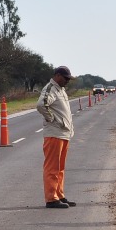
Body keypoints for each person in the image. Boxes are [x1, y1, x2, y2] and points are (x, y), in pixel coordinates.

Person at [36, 65, 76, 209]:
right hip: (54, 133)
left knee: (60, 168)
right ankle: (51, 199)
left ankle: (59, 195)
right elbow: (41, 105)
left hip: (63, 133)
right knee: (52, 167)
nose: (67, 81)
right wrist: (51, 118)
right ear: (58, 76)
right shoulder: (50, 89)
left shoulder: (61, 90)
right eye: (66, 78)